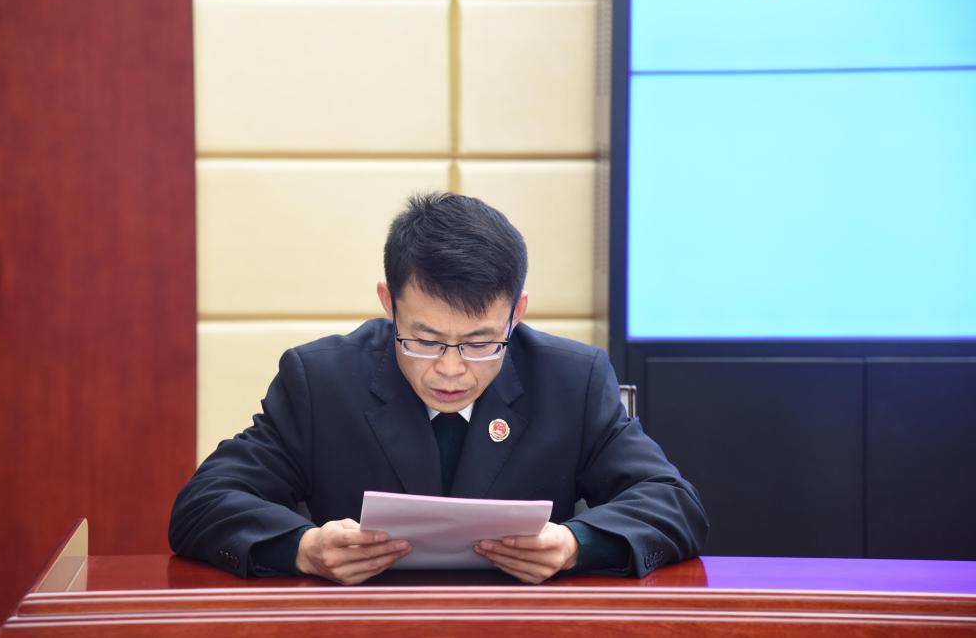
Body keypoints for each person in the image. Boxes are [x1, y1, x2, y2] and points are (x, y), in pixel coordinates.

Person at [169, 192, 707, 585]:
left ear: (516, 312)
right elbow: (204, 503)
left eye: (480, 342)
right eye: (424, 340)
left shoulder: (572, 380)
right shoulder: (322, 381)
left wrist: (575, 544)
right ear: (389, 302)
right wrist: (302, 548)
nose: (451, 370)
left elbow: (673, 502)